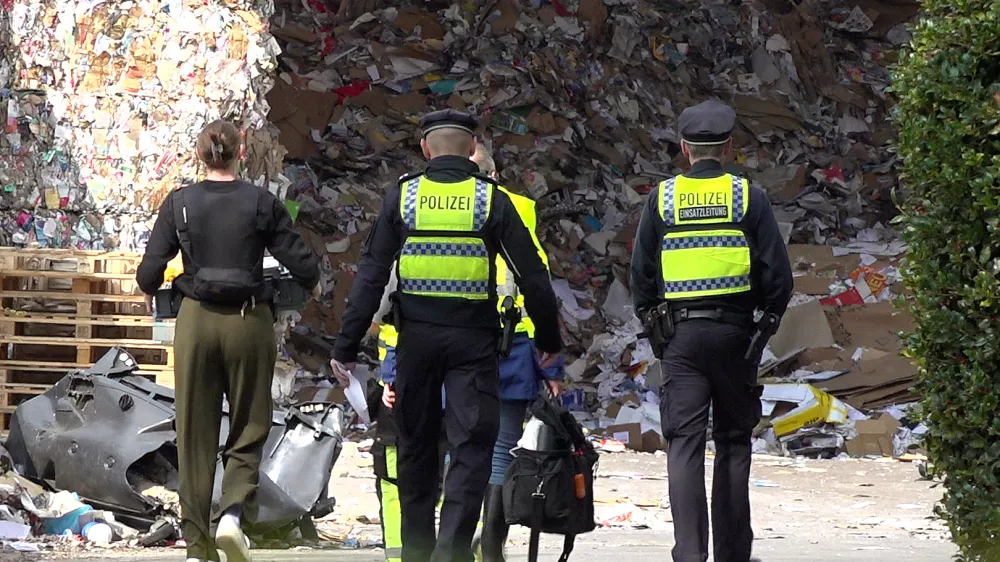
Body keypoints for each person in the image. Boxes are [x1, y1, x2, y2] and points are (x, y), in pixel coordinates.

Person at [330, 109, 562, 562]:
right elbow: (533, 277)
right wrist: (549, 341)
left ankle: (416, 552)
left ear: (425, 148)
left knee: (415, 447)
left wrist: (346, 345)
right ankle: (452, 551)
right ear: (472, 149)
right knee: (472, 447)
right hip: (473, 345)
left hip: (415, 341)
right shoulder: (491, 201)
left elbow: (372, 276)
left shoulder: (403, 197)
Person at [136, 120, 320, 562]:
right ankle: (233, 515)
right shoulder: (262, 202)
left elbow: (148, 273)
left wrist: (152, 291)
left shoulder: (179, 204)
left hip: (196, 322)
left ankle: (198, 545)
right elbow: (306, 269)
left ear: (200, 156)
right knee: (250, 422)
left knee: (195, 431)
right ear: (241, 154)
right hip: (248, 321)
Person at [629, 100, 792, 562]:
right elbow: (777, 274)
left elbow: (641, 275)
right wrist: (766, 320)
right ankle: (734, 555)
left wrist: (654, 325)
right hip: (737, 337)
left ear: (684, 150)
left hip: (679, 339)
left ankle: (689, 555)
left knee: (684, 444)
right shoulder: (748, 198)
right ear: (729, 148)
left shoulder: (661, 199)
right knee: (734, 443)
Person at [469, 145, 564, 562]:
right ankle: (490, 546)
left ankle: (467, 536)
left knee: (464, 444)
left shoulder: (427, 206)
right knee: (503, 446)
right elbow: (538, 285)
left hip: (460, 346)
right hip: (512, 347)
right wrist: (552, 363)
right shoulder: (517, 209)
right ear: (494, 173)